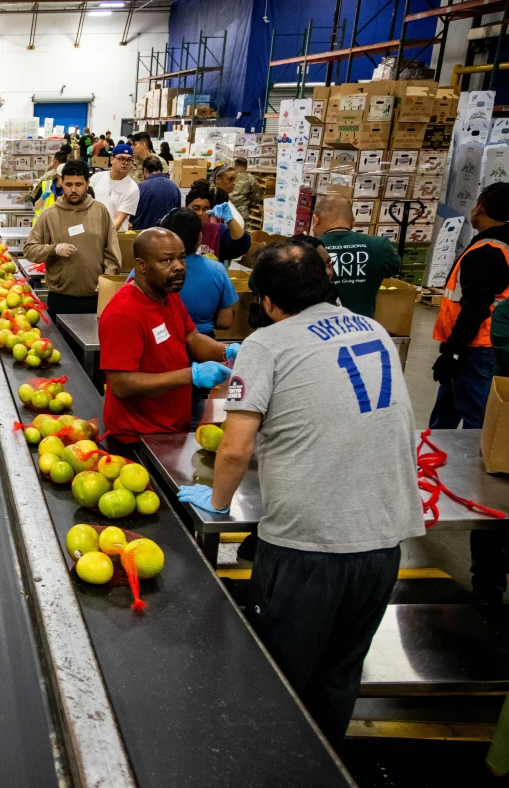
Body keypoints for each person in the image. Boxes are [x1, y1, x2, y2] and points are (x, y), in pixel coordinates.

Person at [176, 239, 422, 747]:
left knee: (279, 679)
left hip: (310, 547)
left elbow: (235, 449)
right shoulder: (373, 328)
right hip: (384, 537)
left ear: (265, 301)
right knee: (339, 674)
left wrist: (217, 503)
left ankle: (275, 767)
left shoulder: (267, 344)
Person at [98, 228, 234, 444]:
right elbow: (121, 385)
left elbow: (192, 338)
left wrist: (227, 351)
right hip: (138, 438)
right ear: (141, 265)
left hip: (171, 427)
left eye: (181, 258)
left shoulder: (167, 296)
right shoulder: (123, 313)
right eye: (167, 260)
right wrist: (192, 375)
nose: (179, 266)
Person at [431, 183, 509, 433]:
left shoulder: (488, 251)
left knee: (476, 418)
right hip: (472, 345)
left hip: (475, 348)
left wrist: (452, 352)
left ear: (480, 208)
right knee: (447, 411)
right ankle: (434, 454)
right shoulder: (498, 245)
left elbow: (475, 307)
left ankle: (473, 470)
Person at [23, 159, 121, 315]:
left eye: (79, 185)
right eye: (69, 185)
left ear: (87, 184)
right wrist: (54, 249)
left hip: (96, 297)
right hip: (61, 299)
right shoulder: (50, 215)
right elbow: (29, 250)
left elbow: (112, 251)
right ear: (61, 183)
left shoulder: (100, 211)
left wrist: (108, 278)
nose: (73, 190)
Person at [310, 194, 400, 319]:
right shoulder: (380, 246)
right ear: (353, 222)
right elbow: (394, 269)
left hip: (320, 329)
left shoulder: (306, 249)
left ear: (316, 219)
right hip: (363, 329)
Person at [159, 208, 238, 335]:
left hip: (161, 338)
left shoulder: (148, 269)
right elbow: (225, 322)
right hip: (204, 342)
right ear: (199, 237)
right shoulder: (216, 270)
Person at [185, 179, 250, 263]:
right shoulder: (179, 226)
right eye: (196, 208)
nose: (201, 213)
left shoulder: (216, 231)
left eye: (205, 208)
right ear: (186, 207)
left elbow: (241, 246)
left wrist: (230, 220)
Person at [89, 143, 140, 231]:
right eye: (121, 159)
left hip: (114, 237)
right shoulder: (96, 177)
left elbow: (118, 219)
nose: (125, 163)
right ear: (112, 159)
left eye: (129, 160)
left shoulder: (132, 188)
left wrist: (103, 239)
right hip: (92, 232)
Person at [132, 156, 182, 230]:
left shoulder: (139, 188)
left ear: (145, 170)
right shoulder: (174, 187)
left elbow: (131, 215)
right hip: (167, 235)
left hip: (142, 236)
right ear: (161, 170)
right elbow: (177, 213)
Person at [229, 157, 263, 228]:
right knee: (242, 235)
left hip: (227, 210)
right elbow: (258, 197)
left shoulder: (228, 176)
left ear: (234, 166)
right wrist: (249, 205)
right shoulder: (250, 179)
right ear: (246, 168)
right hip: (242, 212)